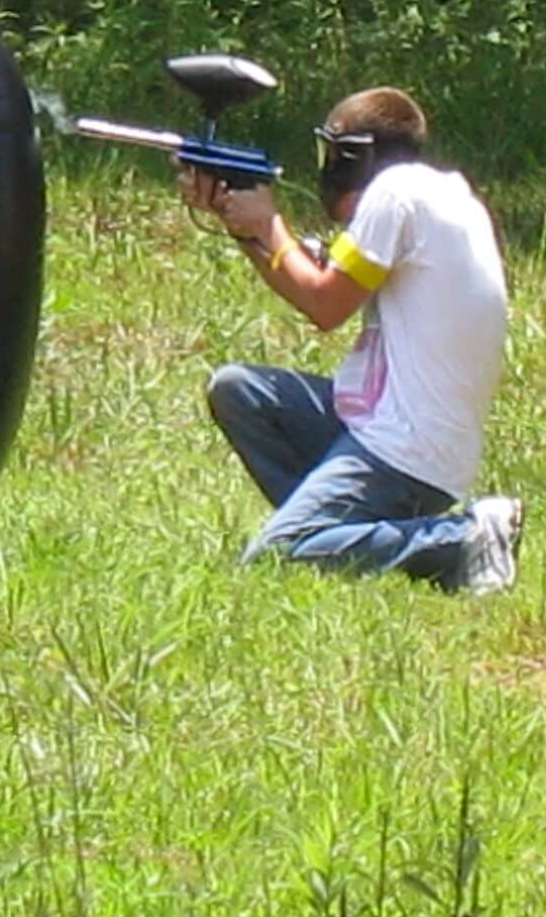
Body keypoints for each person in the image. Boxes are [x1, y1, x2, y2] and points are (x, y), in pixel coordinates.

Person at [187, 86, 522, 593]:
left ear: (350, 157)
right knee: (239, 389)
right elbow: (312, 277)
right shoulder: (443, 194)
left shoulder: (395, 195)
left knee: (273, 559)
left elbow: (325, 305)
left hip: (404, 452)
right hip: (399, 432)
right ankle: (339, 535)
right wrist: (246, 228)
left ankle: (460, 538)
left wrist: (268, 225)